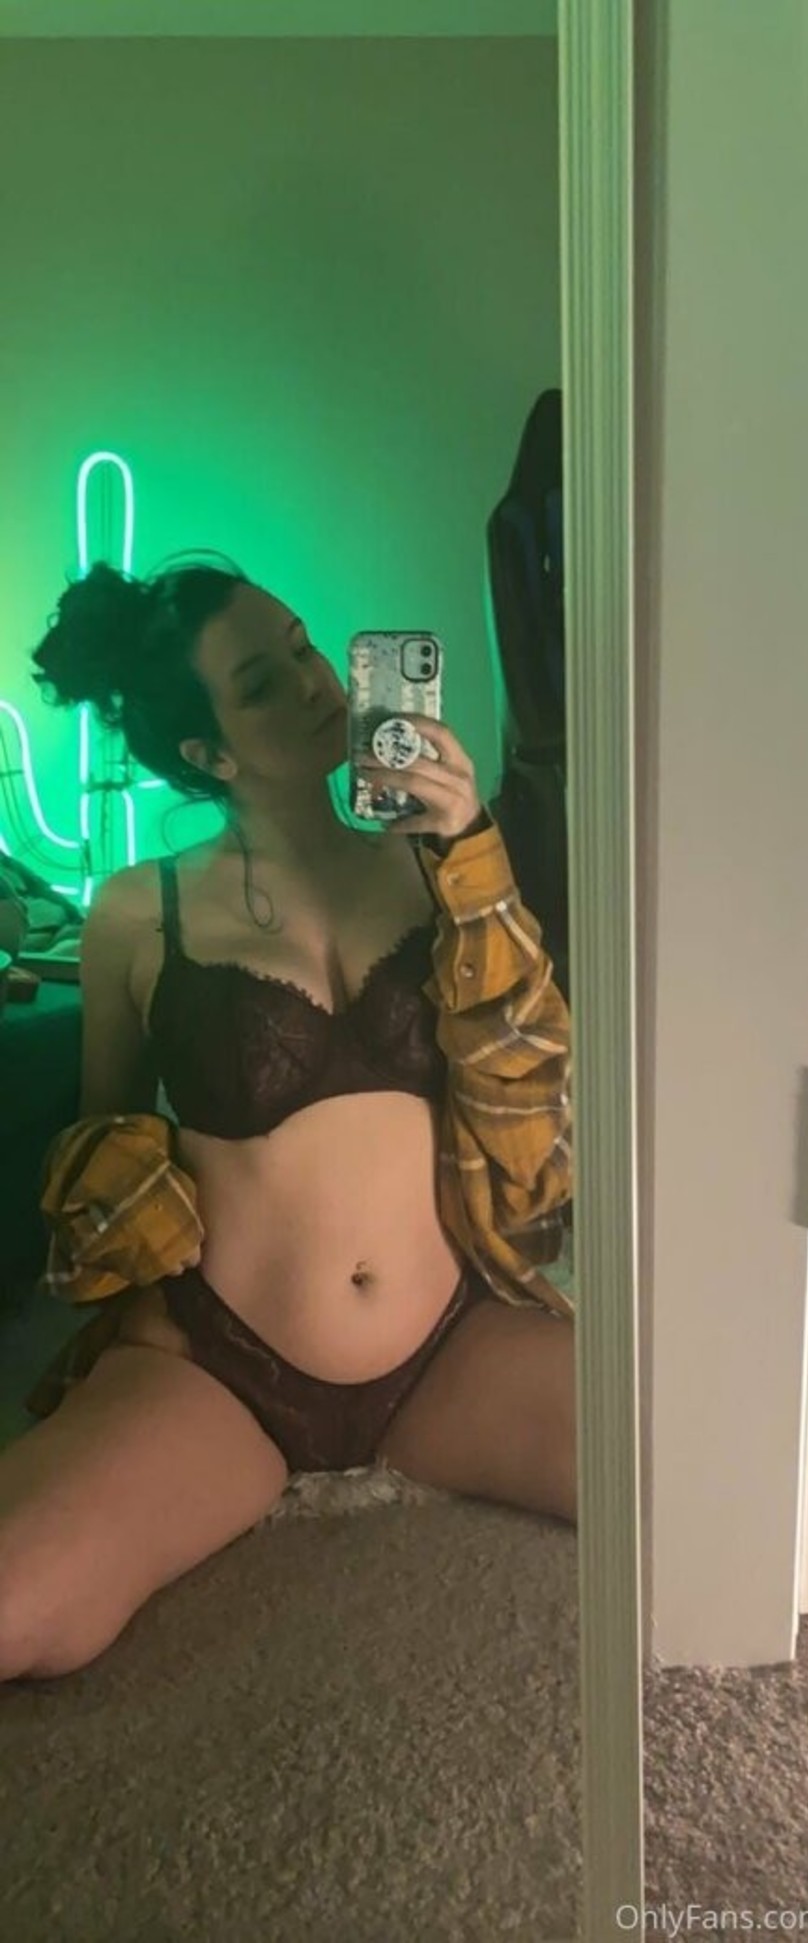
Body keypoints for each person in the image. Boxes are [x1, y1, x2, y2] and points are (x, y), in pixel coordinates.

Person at [0, 555, 575, 1684]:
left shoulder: (435, 863)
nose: (316, 683)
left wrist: (470, 843)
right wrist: (129, 1286)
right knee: (18, 1602)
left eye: (306, 646)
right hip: (220, 1365)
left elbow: (530, 1055)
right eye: (263, 683)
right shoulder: (141, 909)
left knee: (694, 1476)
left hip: (448, 1342)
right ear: (206, 753)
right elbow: (105, 1138)